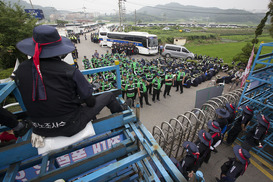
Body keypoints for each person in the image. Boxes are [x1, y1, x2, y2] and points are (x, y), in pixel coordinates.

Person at [14, 25, 124, 138]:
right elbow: (90, 102)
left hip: (39, 127)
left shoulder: (20, 70)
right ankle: (121, 116)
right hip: (69, 126)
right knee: (109, 95)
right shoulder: (69, 70)